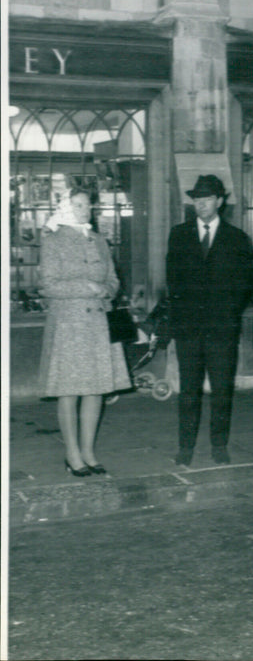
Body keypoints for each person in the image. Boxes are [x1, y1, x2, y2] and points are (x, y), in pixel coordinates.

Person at [38, 189, 132, 476]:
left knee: (96, 390)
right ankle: (72, 453)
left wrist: (107, 290)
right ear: (66, 207)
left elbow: (114, 280)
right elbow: (48, 286)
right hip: (69, 325)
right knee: (69, 391)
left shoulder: (100, 241)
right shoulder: (53, 240)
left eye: (87, 204)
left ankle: (89, 451)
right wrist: (87, 287)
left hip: (97, 324)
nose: (85, 209)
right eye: (78, 205)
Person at [166, 175, 253, 466]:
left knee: (221, 390)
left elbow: (245, 284)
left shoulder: (238, 239)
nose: (200, 204)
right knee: (188, 392)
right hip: (189, 330)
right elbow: (173, 281)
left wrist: (227, 315)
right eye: (196, 199)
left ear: (220, 201)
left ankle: (219, 445)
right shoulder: (179, 235)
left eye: (206, 199)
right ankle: (185, 448)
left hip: (222, 330)